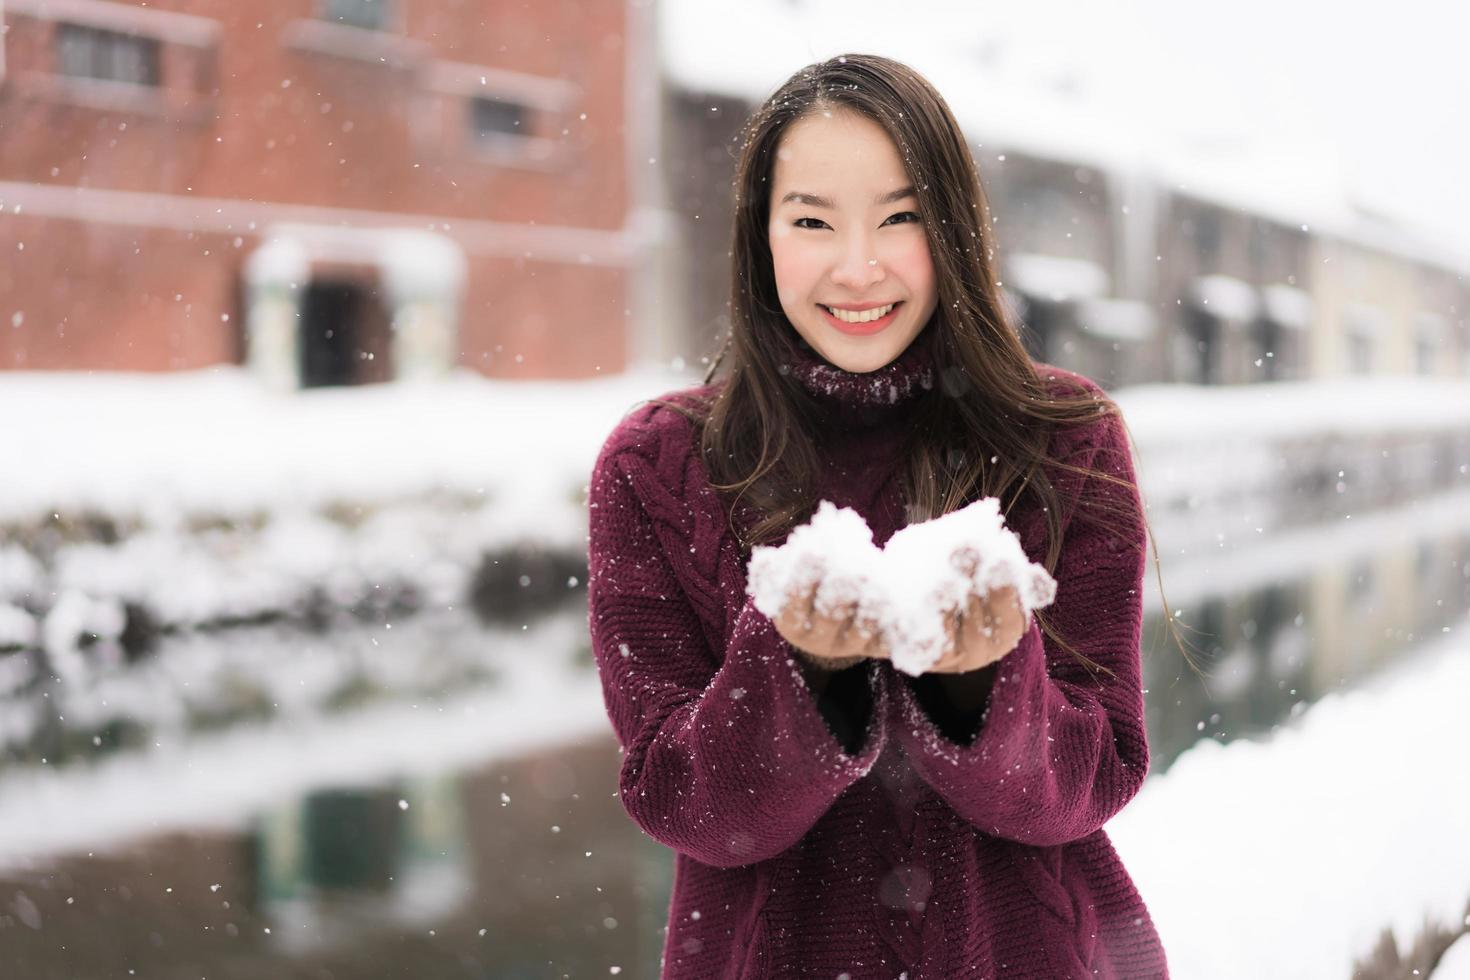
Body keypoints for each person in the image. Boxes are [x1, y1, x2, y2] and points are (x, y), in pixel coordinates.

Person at [587, 53, 1169, 978]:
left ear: (955, 231)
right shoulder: (656, 466)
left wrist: (982, 684)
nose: (858, 268)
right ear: (761, 236)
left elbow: (1096, 777)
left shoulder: (1064, 439)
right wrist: (798, 666)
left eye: (900, 217)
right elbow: (683, 804)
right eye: (812, 219)